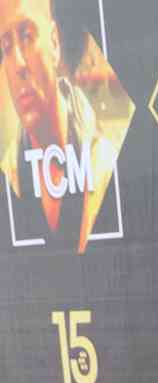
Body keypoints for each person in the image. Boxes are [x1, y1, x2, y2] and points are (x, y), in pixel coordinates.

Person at [0, 0, 116, 251]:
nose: (18, 63)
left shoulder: (105, 161)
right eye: (6, 48)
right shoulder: (10, 171)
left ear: (54, 43)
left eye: (27, 36)